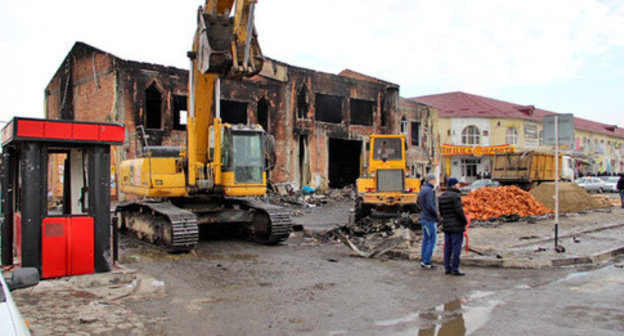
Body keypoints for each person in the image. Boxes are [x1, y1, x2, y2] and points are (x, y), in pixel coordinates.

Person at [438, 177, 468, 276]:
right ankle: (455, 268)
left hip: (446, 225)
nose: (459, 185)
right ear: (453, 185)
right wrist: (464, 221)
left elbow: (441, 212)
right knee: (456, 248)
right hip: (456, 226)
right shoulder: (455, 196)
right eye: (457, 184)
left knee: (447, 247)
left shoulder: (442, 196)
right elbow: (460, 211)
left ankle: (447, 267)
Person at [418, 174, 440, 269]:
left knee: (426, 239)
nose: (435, 181)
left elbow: (419, 203)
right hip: (429, 218)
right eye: (434, 179)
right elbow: (430, 205)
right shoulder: (429, 191)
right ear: (430, 180)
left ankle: (424, 259)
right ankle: (426, 261)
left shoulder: (423, 189)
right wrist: (437, 216)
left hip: (424, 216)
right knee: (432, 239)